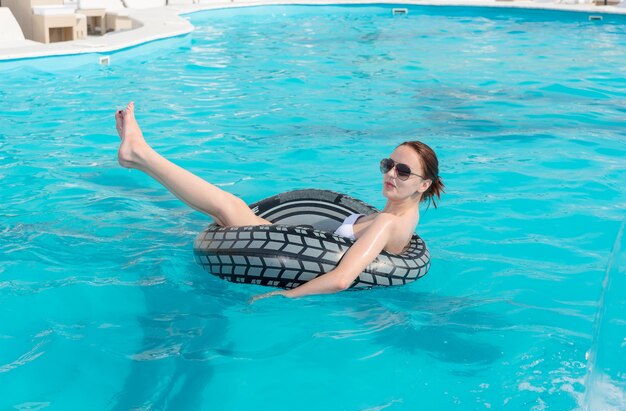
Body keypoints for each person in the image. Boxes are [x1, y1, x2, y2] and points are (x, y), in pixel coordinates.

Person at [115, 102, 444, 302]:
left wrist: (284, 296)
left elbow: (343, 278)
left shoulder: (387, 222)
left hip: (298, 262)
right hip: (295, 241)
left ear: (424, 184)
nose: (391, 174)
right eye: (388, 165)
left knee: (228, 206)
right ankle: (139, 156)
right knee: (228, 207)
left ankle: (141, 154)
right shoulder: (396, 216)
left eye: (403, 171)